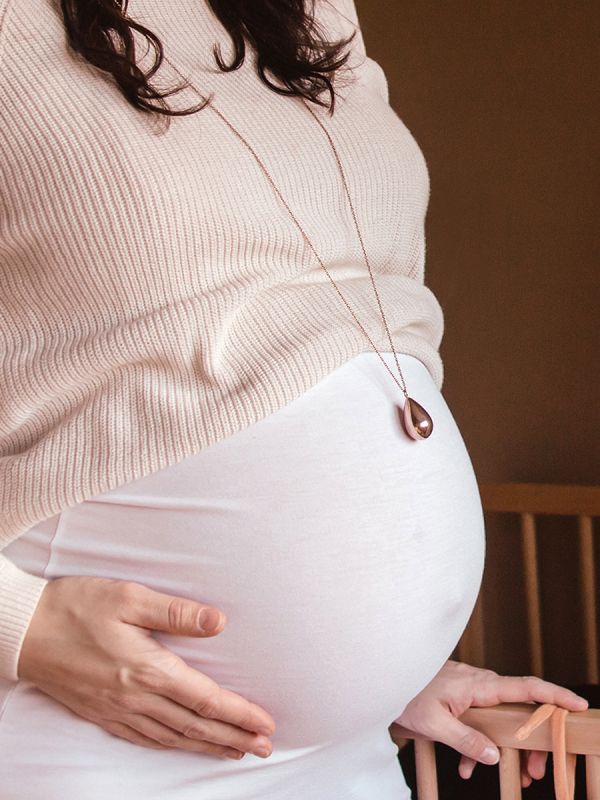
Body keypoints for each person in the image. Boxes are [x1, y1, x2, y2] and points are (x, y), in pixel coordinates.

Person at [0, 1, 588, 798]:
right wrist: (21, 625)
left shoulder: (309, 9)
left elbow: (339, 306)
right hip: (95, 736)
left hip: (346, 751)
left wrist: (381, 664)